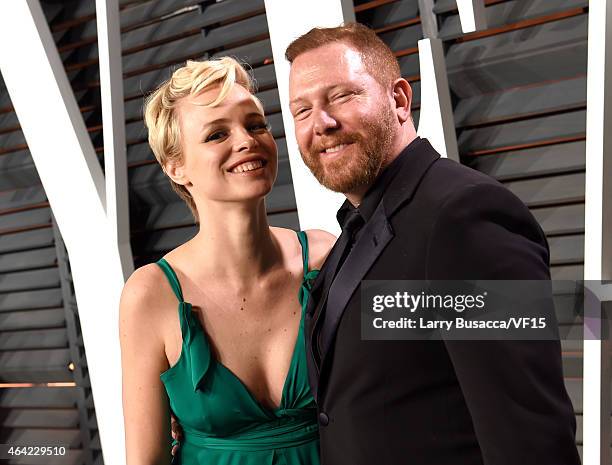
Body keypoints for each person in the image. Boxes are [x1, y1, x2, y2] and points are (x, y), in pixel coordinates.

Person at [285, 23, 581, 465]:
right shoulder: (354, 230)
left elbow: (529, 440)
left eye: (342, 96)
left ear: (400, 100)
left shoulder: (465, 215)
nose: (322, 124)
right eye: (302, 111)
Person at [119, 57, 334, 465]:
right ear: (176, 167)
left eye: (255, 124)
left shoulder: (324, 258)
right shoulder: (151, 295)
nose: (247, 140)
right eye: (217, 133)